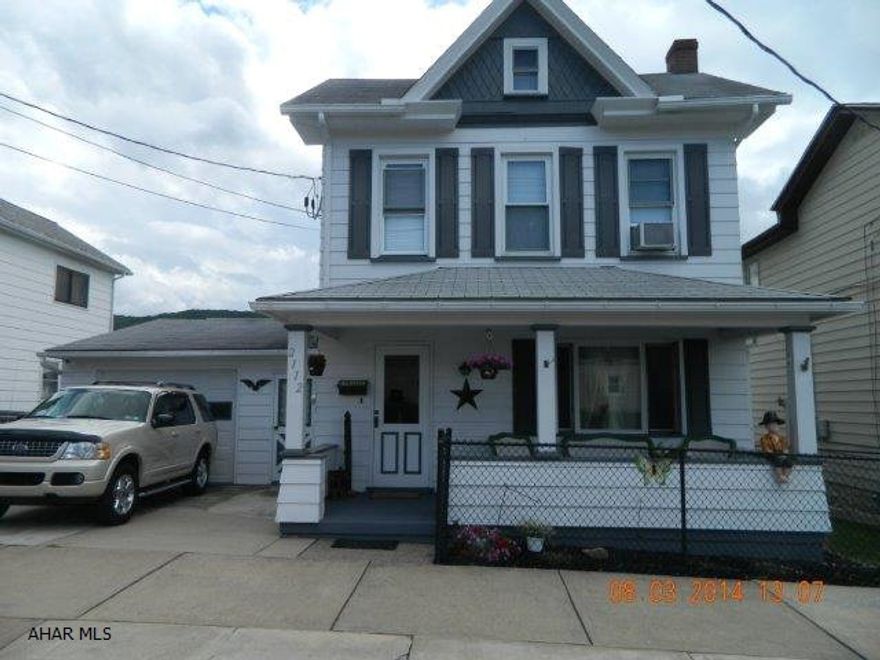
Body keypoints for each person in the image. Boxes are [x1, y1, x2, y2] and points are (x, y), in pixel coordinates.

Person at [758, 411, 793, 484]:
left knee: (789, 461)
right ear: (767, 427)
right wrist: (774, 454)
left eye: (776, 424)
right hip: (772, 456)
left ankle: (785, 476)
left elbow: (785, 448)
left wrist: (784, 453)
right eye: (772, 424)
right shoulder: (764, 438)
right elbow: (767, 449)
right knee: (778, 460)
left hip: (781, 455)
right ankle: (780, 475)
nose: (775, 426)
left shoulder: (782, 438)